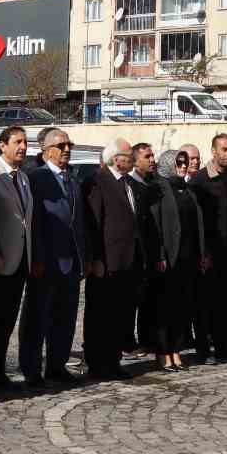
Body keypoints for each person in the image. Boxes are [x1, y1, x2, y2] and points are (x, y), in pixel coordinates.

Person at [23, 127, 83, 386]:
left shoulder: (72, 179)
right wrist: (36, 258)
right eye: (61, 145)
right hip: (45, 262)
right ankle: (32, 370)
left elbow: (78, 223)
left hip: (70, 262)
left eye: (69, 144)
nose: (67, 149)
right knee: (38, 318)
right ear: (46, 150)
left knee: (65, 318)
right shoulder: (36, 179)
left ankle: (57, 366)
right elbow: (33, 222)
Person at [83, 139, 142, 379]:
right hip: (106, 263)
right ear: (116, 158)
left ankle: (113, 360)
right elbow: (93, 223)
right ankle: (98, 363)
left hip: (127, 262)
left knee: (119, 314)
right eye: (130, 155)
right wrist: (95, 258)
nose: (134, 159)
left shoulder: (128, 183)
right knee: (100, 315)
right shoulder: (98, 181)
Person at [0, 125, 32, 391]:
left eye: (25, 142)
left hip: (20, 260)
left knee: (7, 322)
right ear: (2, 146)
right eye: (17, 142)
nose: (23, 147)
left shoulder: (23, 177)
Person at [149, 150, 205, 372]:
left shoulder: (188, 189)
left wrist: (202, 253)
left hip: (188, 258)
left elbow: (197, 223)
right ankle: (162, 351)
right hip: (168, 259)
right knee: (165, 307)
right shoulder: (160, 189)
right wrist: (160, 254)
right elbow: (157, 225)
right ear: (169, 164)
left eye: (185, 162)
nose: (183, 166)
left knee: (183, 306)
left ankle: (176, 349)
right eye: (178, 162)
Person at [192, 133, 227, 364]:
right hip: (209, 253)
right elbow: (196, 221)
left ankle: (223, 344)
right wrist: (203, 252)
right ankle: (203, 348)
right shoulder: (200, 181)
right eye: (224, 149)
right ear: (213, 151)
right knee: (205, 302)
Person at [130, 142, 160, 353]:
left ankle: (147, 338)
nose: (152, 160)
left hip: (151, 252)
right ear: (135, 160)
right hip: (135, 254)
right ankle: (129, 341)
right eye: (147, 156)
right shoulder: (131, 185)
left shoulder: (152, 184)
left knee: (149, 299)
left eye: (152, 156)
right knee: (133, 300)